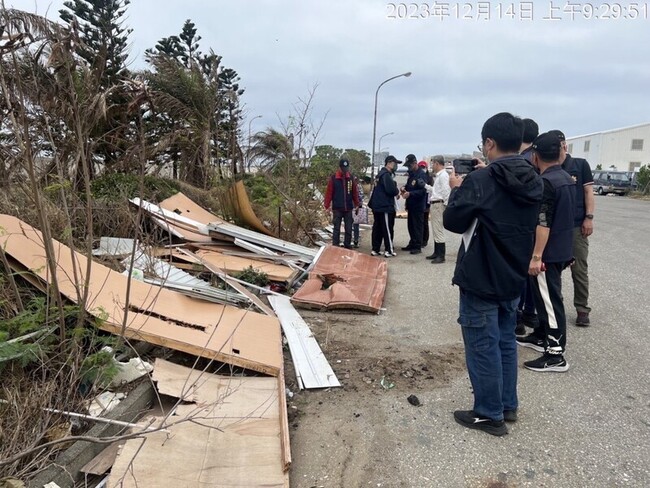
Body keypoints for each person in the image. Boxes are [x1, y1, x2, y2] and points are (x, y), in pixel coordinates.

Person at [443, 112, 543, 436]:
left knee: (482, 345)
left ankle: (488, 413)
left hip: (482, 276)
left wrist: (458, 189)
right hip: (513, 275)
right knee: (505, 342)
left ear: (489, 143)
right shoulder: (534, 179)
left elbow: (453, 222)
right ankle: (507, 404)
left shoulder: (482, 180)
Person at [516, 132, 575, 372]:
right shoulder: (566, 178)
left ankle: (555, 354)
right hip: (560, 248)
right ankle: (541, 335)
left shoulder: (547, 182)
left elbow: (544, 222)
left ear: (536, 156)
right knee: (544, 297)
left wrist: (536, 256)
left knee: (550, 301)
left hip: (547, 253)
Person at [549, 129, 595, 326]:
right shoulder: (548, 166)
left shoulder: (579, 165)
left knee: (579, 269)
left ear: (564, 146)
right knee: (553, 269)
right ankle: (554, 306)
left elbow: (588, 192)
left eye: (558, 145)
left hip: (577, 225)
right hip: (554, 227)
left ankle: (582, 308)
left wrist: (589, 218)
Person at [516, 118, 540, 334]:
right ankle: (530, 312)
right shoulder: (540, 157)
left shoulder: (521, 161)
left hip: (523, 226)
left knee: (521, 271)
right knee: (532, 272)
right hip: (539, 225)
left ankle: (517, 316)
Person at [324, 158, 360, 249]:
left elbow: (355, 192)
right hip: (337, 208)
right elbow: (329, 193)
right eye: (343, 169)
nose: (345, 171)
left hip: (348, 208)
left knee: (348, 228)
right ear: (340, 168)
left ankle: (347, 245)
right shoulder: (333, 178)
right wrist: (326, 206)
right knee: (336, 229)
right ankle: (335, 246)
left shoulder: (351, 178)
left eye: (346, 168)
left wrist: (357, 204)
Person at [368, 155, 400, 257]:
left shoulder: (380, 175)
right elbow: (391, 190)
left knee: (377, 228)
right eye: (395, 163)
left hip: (377, 206)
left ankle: (375, 249)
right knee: (387, 228)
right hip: (384, 206)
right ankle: (389, 250)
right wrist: (397, 191)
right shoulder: (386, 175)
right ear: (389, 163)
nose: (395, 166)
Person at [400, 154, 428, 255]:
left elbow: (423, 191)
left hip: (418, 205)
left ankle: (417, 245)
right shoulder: (412, 174)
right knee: (411, 226)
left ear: (415, 163)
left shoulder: (421, 174)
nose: (409, 168)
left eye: (410, 166)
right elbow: (409, 186)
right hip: (411, 204)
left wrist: (411, 193)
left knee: (417, 226)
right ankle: (412, 242)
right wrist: (404, 188)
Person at [425, 155, 451, 264]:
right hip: (435, 203)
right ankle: (437, 252)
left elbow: (446, 192)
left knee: (438, 229)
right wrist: (425, 186)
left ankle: (441, 255)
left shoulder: (443, 175)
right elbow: (436, 191)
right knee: (435, 229)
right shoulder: (439, 176)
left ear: (437, 163)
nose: (432, 166)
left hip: (439, 204)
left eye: (433, 164)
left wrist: (445, 205)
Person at [420, 160, 434, 248]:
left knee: (425, 222)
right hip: (420, 202)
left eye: (423, 167)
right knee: (419, 222)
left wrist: (429, 204)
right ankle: (420, 239)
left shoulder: (429, 178)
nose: (422, 169)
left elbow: (432, 191)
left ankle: (425, 240)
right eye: (421, 167)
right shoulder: (419, 176)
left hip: (427, 203)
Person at [352, 176, 365, 248]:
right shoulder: (359, 186)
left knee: (353, 224)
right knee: (355, 225)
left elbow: (361, 196)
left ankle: (354, 240)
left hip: (353, 207)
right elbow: (361, 197)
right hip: (356, 207)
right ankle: (355, 241)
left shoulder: (351, 186)